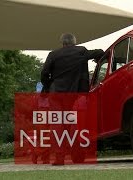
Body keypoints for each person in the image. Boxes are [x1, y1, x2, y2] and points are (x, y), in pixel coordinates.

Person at [40, 33, 104, 165]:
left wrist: (47, 88)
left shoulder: (53, 54)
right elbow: (99, 52)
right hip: (73, 94)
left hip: (56, 93)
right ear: (74, 42)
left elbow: (44, 73)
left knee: (57, 125)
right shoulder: (80, 51)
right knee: (72, 125)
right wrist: (98, 59)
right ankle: (77, 156)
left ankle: (59, 158)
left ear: (62, 43)